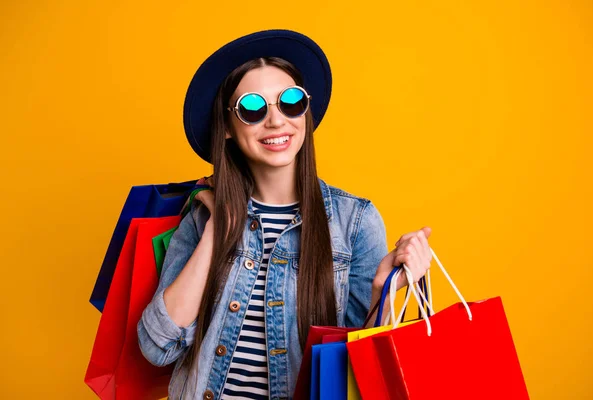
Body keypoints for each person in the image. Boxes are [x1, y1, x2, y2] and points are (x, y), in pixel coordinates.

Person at [137, 29, 433, 399]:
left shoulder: (354, 222)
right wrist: (218, 230)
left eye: (290, 101)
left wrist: (384, 293)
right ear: (227, 127)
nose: (276, 121)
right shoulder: (202, 216)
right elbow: (157, 346)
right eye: (252, 108)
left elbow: (361, 375)